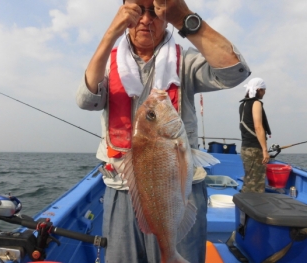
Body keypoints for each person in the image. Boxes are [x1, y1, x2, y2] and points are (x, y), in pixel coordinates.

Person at [76, 0, 250, 262]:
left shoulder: (186, 61)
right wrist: (110, 34)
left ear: (167, 14)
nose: (146, 19)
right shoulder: (106, 65)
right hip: (121, 188)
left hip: (179, 189)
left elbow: (235, 72)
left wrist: (186, 19)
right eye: (137, 9)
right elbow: (86, 100)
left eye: (154, 10)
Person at [239, 77, 271, 193]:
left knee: (249, 179)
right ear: (258, 89)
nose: (264, 92)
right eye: (263, 90)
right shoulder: (256, 103)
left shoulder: (243, 105)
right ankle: (251, 208)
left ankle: (244, 207)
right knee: (256, 184)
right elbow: (258, 127)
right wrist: (264, 150)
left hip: (245, 148)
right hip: (254, 149)